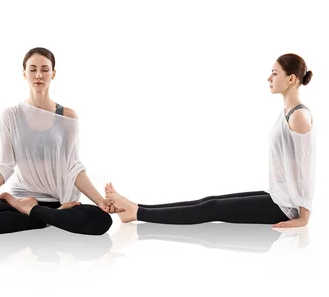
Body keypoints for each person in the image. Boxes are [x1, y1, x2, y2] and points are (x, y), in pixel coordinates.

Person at [106, 53, 315, 229]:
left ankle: (136, 212)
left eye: (275, 73)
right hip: (278, 197)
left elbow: (306, 169)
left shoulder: (299, 117)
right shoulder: (287, 112)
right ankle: (135, 209)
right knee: (209, 202)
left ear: (291, 79)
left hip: (285, 208)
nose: (269, 78)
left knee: (211, 208)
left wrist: (303, 217)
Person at [0, 47, 120, 236]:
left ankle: (33, 212)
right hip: (20, 197)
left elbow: (73, 167)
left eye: (45, 69)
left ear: (53, 74)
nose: (39, 75)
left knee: (101, 221)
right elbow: (4, 166)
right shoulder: (11, 115)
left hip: (57, 200)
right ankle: (48, 217)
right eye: (33, 69)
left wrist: (100, 201)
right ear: (24, 73)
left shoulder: (68, 116)